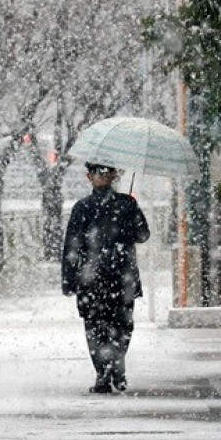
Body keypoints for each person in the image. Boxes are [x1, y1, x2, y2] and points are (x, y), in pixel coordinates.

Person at [61, 162, 150, 394]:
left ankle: (104, 373)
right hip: (123, 276)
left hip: (92, 278)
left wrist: (69, 280)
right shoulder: (127, 204)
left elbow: (71, 246)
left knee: (95, 328)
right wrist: (129, 218)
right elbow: (143, 235)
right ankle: (116, 371)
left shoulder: (82, 207)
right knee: (121, 326)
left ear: (88, 177)